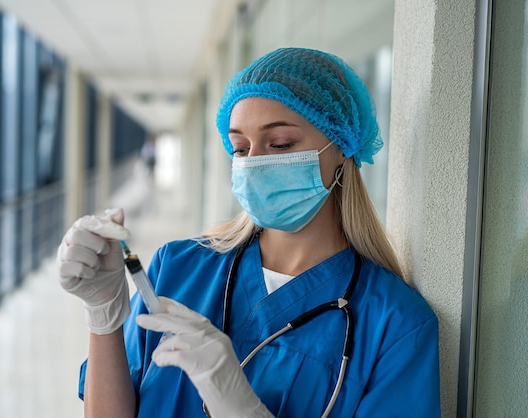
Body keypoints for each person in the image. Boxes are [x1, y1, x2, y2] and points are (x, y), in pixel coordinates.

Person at [56, 47, 441, 417]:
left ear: (341, 146)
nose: (254, 163)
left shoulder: (396, 324)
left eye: (280, 143)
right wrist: (104, 314)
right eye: (240, 148)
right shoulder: (178, 267)